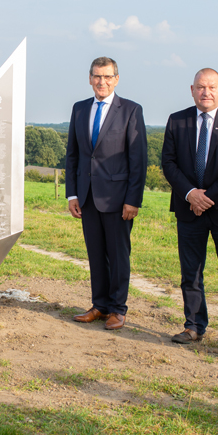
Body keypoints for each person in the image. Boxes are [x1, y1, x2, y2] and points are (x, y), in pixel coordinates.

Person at [161, 68, 218, 353]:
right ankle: (194, 326)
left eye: (212, 87)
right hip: (189, 210)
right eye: (201, 87)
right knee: (191, 272)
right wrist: (190, 194)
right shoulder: (177, 121)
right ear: (192, 90)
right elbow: (169, 163)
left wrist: (208, 197)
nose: (206, 92)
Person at [65, 57, 147, 330]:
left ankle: (117, 309)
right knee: (96, 254)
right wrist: (72, 194)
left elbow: (138, 160)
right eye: (97, 77)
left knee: (118, 254)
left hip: (118, 199)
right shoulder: (79, 109)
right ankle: (99, 305)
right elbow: (73, 155)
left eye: (108, 77)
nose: (102, 82)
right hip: (86, 197)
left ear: (117, 79)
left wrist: (133, 199)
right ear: (90, 79)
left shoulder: (131, 111)